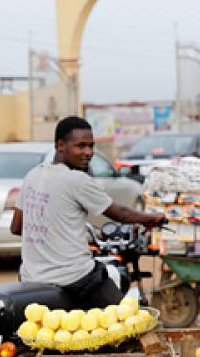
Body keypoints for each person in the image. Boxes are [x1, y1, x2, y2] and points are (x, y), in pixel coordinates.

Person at [10, 116, 166, 308]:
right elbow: (121, 213)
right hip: (75, 278)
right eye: (81, 146)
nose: (88, 152)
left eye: (91, 146)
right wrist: (153, 218)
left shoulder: (33, 175)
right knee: (126, 318)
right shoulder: (76, 180)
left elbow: (16, 227)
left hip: (30, 277)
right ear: (60, 145)